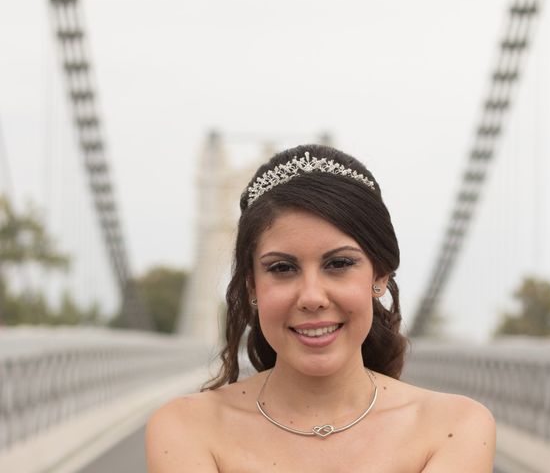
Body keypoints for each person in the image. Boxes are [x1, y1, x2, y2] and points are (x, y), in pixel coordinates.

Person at [145, 144, 495, 472]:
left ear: (380, 276)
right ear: (252, 285)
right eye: (282, 268)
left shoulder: (455, 427)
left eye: (339, 263)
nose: (312, 297)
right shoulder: (185, 428)